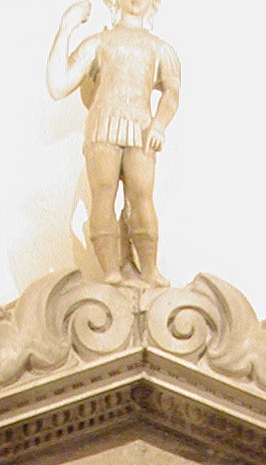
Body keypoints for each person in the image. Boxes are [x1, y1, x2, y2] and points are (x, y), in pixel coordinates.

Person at [46, 0, 181, 286]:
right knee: (103, 194)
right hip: (103, 126)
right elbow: (58, 85)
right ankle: (110, 271)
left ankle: (149, 268)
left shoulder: (159, 49)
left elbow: (172, 92)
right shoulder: (99, 43)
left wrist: (159, 124)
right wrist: (66, 27)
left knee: (141, 196)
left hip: (142, 129)